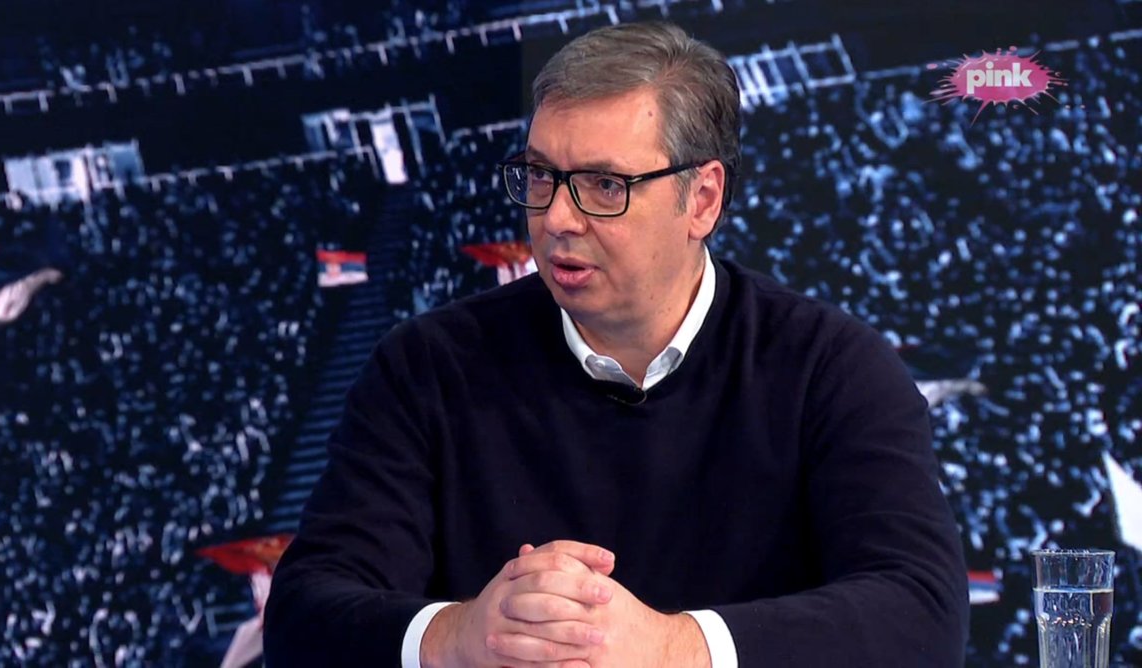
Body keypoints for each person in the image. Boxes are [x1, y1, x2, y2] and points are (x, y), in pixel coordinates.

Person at [264, 21, 969, 667]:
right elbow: (303, 613)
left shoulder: (831, 367)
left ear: (702, 199)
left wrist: (672, 648)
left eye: (605, 185)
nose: (557, 218)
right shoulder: (427, 366)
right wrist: (458, 634)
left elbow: (920, 611)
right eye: (541, 176)